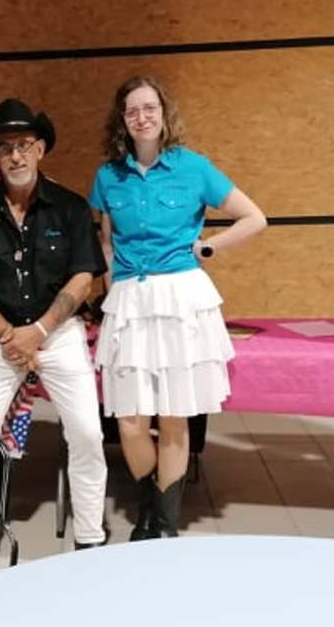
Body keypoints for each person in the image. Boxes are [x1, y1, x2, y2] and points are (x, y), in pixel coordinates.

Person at [89, 75, 267, 539]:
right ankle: (149, 504)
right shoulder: (108, 176)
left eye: (150, 108)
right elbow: (106, 242)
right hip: (129, 299)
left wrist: (210, 247)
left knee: (173, 416)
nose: (142, 117)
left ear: (164, 114)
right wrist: (110, 295)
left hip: (180, 297)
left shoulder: (193, 167)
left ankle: (162, 524)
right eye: (132, 110)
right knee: (129, 421)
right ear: (122, 120)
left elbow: (254, 217)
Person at [0, 98, 108, 580]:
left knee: (87, 433)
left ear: (40, 149)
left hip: (57, 335)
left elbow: (84, 276)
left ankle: (90, 537)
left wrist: (38, 332)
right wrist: (8, 335)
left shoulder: (71, 207)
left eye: (23, 145)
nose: (15, 155)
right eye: (4, 147)